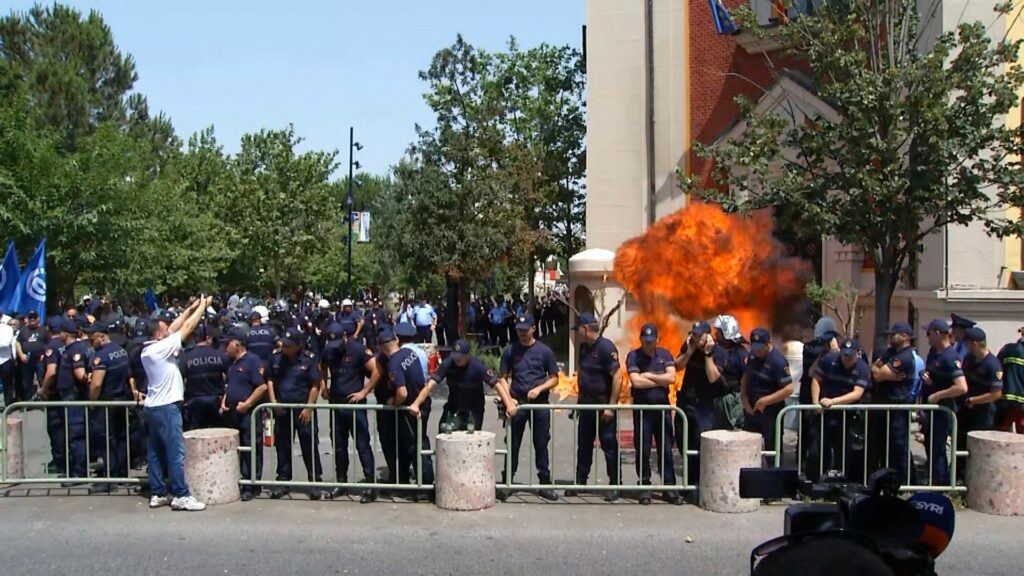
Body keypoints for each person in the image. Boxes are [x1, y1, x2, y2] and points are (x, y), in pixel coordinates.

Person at [141, 296, 211, 511]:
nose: (169, 329)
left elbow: (176, 325)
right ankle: (181, 494)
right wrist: (202, 308)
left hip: (154, 406)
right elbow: (187, 328)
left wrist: (189, 307)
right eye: (165, 328)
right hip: (167, 407)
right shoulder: (160, 349)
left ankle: (158, 492)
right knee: (175, 451)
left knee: (155, 452)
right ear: (159, 333)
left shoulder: (149, 349)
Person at [495, 313, 558, 502]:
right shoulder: (511, 350)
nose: (522, 334)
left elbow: (555, 378)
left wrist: (539, 388)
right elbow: (502, 377)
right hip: (518, 404)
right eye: (519, 331)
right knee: (512, 444)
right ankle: (508, 482)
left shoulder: (545, 351)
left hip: (539, 404)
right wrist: (508, 399)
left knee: (541, 443)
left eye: (525, 330)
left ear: (533, 329)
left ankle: (544, 483)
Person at [565, 312, 622, 501]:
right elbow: (582, 373)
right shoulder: (583, 348)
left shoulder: (606, 348)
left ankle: (615, 484)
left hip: (603, 403)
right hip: (586, 403)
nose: (578, 333)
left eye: (579, 329)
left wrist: (611, 407)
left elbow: (617, 377)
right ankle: (580, 481)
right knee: (584, 444)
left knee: (609, 445)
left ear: (586, 329)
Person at [321, 321, 378, 502]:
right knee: (339, 446)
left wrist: (364, 392)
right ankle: (341, 482)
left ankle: (370, 484)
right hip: (336, 403)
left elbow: (377, 370)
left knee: (362, 445)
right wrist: (324, 386)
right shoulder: (329, 350)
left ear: (345, 336)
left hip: (354, 404)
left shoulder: (358, 349)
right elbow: (321, 366)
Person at [378, 325, 435, 500]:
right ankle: (411, 484)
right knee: (414, 445)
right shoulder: (410, 353)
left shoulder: (394, 363)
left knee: (415, 447)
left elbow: (402, 392)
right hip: (422, 402)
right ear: (396, 341)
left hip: (410, 408)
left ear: (382, 347)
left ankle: (425, 486)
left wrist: (393, 402)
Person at [267, 327, 325, 500]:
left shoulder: (308, 359)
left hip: (302, 410)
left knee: (309, 444)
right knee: (282, 446)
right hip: (282, 409)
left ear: (298, 345)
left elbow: (315, 385)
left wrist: (309, 407)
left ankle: (314, 481)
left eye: (288, 345)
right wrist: (273, 402)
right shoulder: (276, 358)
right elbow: (270, 379)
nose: (285, 348)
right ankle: (283, 480)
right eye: (283, 344)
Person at [626, 323, 681, 505]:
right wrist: (660, 379)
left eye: (651, 341)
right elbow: (636, 382)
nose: (648, 344)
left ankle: (669, 487)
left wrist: (648, 376)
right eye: (645, 340)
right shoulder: (633, 356)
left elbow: (671, 378)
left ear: (658, 339)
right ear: (640, 339)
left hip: (662, 408)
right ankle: (644, 485)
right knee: (643, 448)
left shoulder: (664, 355)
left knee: (666, 447)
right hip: (642, 408)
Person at [676, 320, 727, 502]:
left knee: (701, 445)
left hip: (704, 405)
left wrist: (707, 354)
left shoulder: (718, 352)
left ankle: (700, 486)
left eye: (699, 335)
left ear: (708, 335)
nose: (695, 337)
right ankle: (689, 485)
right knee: (683, 442)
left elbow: (713, 377)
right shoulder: (689, 345)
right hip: (686, 402)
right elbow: (677, 366)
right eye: (694, 334)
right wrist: (689, 352)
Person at [807, 338, 868, 481]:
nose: (846, 359)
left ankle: (841, 485)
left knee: (844, 452)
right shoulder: (830, 359)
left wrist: (833, 402)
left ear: (858, 354)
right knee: (816, 451)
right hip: (822, 413)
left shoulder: (863, 368)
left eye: (850, 356)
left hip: (845, 416)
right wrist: (816, 403)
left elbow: (857, 393)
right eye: (844, 354)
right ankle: (814, 484)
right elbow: (816, 379)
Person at [83, 320, 131, 493]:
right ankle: (122, 474)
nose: (90, 342)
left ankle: (110, 479)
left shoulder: (101, 356)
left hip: (105, 403)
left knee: (105, 441)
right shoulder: (121, 351)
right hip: (121, 399)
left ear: (102, 337)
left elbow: (96, 384)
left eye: (92, 339)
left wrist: (92, 403)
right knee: (119, 438)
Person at [868, 322, 919, 484]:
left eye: (893, 334)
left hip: (898, 407)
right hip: (884, 406)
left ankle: (902, 482)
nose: (890, 337)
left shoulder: (905, 356)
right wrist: (882, 373)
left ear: (905, 337)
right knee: (883, 446)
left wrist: (882, 373)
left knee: (898, 447)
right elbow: (875, 369)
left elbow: (879, 374)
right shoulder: (891, 352)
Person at [919, 319, 967, 486]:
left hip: (943, 410)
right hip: (930, 409)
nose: (927, 337)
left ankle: (943, 486)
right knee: (930, 446)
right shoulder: (934, 352)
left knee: (938, 449)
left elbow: (961, 387)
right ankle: (934, 480)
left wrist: (938, 395)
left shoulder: (950, 357)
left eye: (929, 333)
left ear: (938, 333)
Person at [222, 331, 267, 501]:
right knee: (240, 448)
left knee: (251, 447)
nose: (226, 347)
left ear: (237, 345)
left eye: (228, 344)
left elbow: (261, 387)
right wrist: (225, 400)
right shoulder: (232, 363)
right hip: (233, 412)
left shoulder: (252, 361)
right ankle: (242, 479)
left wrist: (247, 403)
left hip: (248, 413)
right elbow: (230, 384)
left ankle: (252, 484)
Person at [741, 328, 794, 462]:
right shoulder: (752, 355)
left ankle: (774, 478)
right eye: (755, 347)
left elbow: (788, 389)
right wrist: (744, 398)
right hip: (751, 410)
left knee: (772, 450)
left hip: (771, 412)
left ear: (768, 343)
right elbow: (746, 376)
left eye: (760, 347)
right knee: (747, 447)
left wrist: (765, 401)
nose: (757, 350)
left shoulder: (778, 361)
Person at [957, 327, 1003, 472]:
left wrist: (974, 400)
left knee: (978, 448)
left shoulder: (992, 365)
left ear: (974, 344)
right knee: (961, 444)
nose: (965, 346)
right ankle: (960, 475)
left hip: (983, 413)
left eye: (967, 343)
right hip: (966, 411)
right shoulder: (969, 359)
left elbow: (996, 394)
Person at [428, 338, 497, 433]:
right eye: (455, 357)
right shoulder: (448, 364)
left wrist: (509, 404)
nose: (457, 360)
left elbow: (496, 384)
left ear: (467, 355)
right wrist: (417, 403)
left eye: (460, 357)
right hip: (453, 406)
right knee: (444, 432)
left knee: (472, 439)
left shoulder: (477, 366)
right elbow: (431, 383)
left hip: (474, 409)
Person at [182, 325, 228, 430]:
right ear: (208, 337)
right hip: (216, 401)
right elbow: (230, 375)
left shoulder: (187, 356)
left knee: (196, 436)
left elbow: (181, 378)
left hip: (194, 402)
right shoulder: (219, 354)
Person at [712, 315, 748, 431]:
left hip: (731, 401)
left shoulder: (740, 354)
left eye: (718, 332)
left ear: (726, 333)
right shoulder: (714, 349)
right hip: (715, 399)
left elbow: (746, 379)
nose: (715, 334)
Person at [996, 327, 1024, 434]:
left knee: (1002, 433)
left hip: (1004, 399)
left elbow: (997, 370)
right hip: (1021, 404)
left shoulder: (1007, 349)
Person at [15, 310, 47, 402]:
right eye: (30, 317)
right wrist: (21, 354)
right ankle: (28, 401)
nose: (32, 319)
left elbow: (49, 343)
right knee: (27, 382)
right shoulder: (23, 330)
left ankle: (43, 400)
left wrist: (45, 355)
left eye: (34, 317)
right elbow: (18, 342)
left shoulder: (44, 330)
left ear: (38, 318)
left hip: (40, 359)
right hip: (27, 359)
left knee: (42, 380)